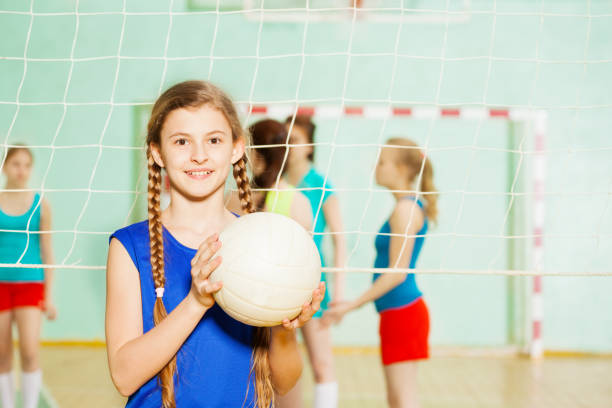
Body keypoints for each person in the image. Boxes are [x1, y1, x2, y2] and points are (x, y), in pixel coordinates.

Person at [105, 80, 325, 408]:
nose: (199, 155)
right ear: (157, 152)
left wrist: (284, 328)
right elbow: (124, 377)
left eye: (214, 140)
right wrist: (196, 301)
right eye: (181, 141)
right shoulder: (129, 247)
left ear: (236, 148)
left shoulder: (262, 245)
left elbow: (285, 381)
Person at [324, 138, 437, 408]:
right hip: (396, 313)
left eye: (382, 161)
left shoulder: (405, 210)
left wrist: (351, 305)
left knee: (403, 400)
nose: (377, 166)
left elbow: (397, 274)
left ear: (400, 168)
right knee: (397, 400)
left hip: (404, 312)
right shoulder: (404, 207)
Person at [278, 114, 347, 408]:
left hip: (313, 284)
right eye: (284, 140)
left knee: (321, 363)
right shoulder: (275, 183)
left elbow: (339, 238)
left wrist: (340, 291)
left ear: (309, 146)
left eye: (294, 140)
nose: (288, 146)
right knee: (281, 366)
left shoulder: (320, 184)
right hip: (280, 285)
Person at [0, 145, 57, 408]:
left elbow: (47, 250)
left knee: (29, 350)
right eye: (15, 164)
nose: (21, 170)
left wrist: (50, 296)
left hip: (30, 285)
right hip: (1, 285)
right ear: (4, 168)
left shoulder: (40, 203)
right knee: (2, 353)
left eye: (26, 165)